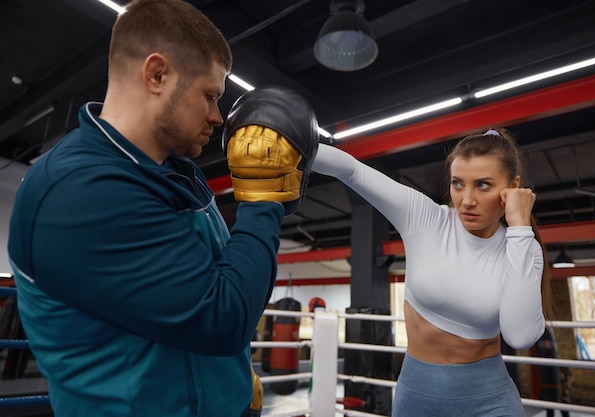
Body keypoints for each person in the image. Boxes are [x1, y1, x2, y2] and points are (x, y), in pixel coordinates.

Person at [7, 0, 318, 416]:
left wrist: (231, 379)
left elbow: (216, 286)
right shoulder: (80, 190)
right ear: (157, 74)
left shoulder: (179, 175)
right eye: (210, 96)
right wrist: (263, 198)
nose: (217, 116)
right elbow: (222, 317)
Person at [312, 128, 552, 416]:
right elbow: (351, 171)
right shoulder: (426, 219)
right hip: (417, 393)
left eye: (483, 185)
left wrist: (520, 228)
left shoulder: (521, 246)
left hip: (489, 399)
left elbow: (520, 335)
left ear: (513, 187)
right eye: (458, 184)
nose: (467, 200)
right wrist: (292, 144)